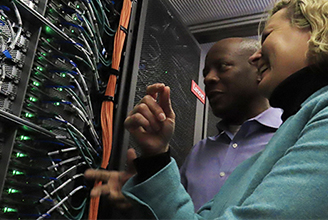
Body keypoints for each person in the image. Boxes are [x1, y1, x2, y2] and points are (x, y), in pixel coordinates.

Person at [85, 0, 328, 218]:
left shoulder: (319, 115)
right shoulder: (278, 142)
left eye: (267, 36)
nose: (256, 57)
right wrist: (153, 170)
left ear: (316, 29)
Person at [180, 37, 282, 211]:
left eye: (223, 67)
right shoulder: (199, 151)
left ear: (259, 70)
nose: (208, 79)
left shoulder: (292, 135)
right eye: (206, 73)